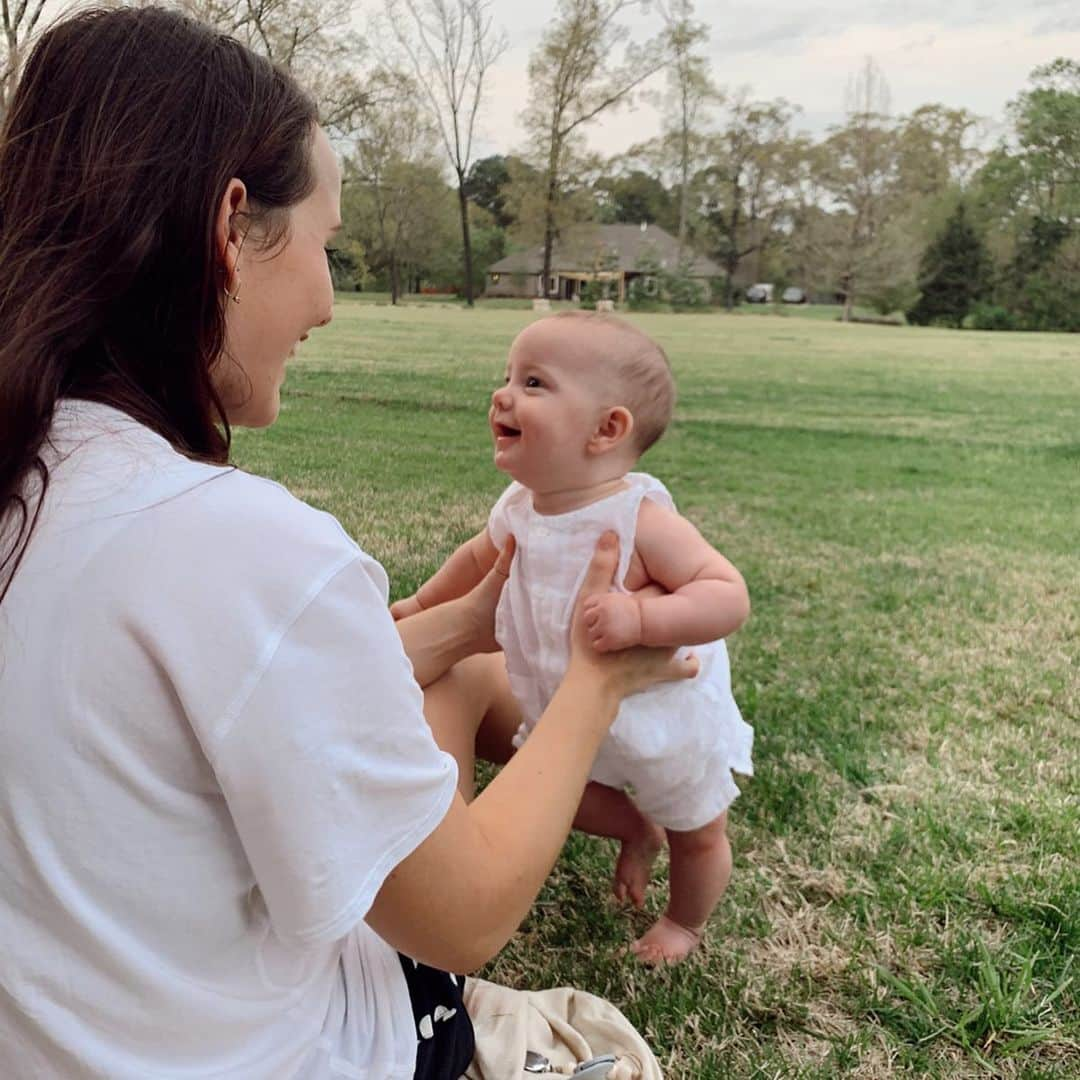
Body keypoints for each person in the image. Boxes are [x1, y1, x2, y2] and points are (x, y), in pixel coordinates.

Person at [0, 8, 697, 1078]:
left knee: (456, 667)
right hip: (280, 1052)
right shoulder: (236, 544)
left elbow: (158, 705)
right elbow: (461, 921)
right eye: (325, 243)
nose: (326, 300)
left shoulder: (39, 483)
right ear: (229, 227)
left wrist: (442, 628)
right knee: (458, 704)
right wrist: (599, 682)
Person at [392, 312, 754, 965]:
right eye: (506, 377)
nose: (502, 394)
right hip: (563, 709)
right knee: (567, 798)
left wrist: (644, 622)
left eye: (533, 382)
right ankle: (633, 831)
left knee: (697, 832)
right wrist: (421, 604)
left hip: (662, 722)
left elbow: (726, 593)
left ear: (607, 428)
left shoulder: (636, 517)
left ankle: (684, 922)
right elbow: (476, 561)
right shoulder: (519, 507)